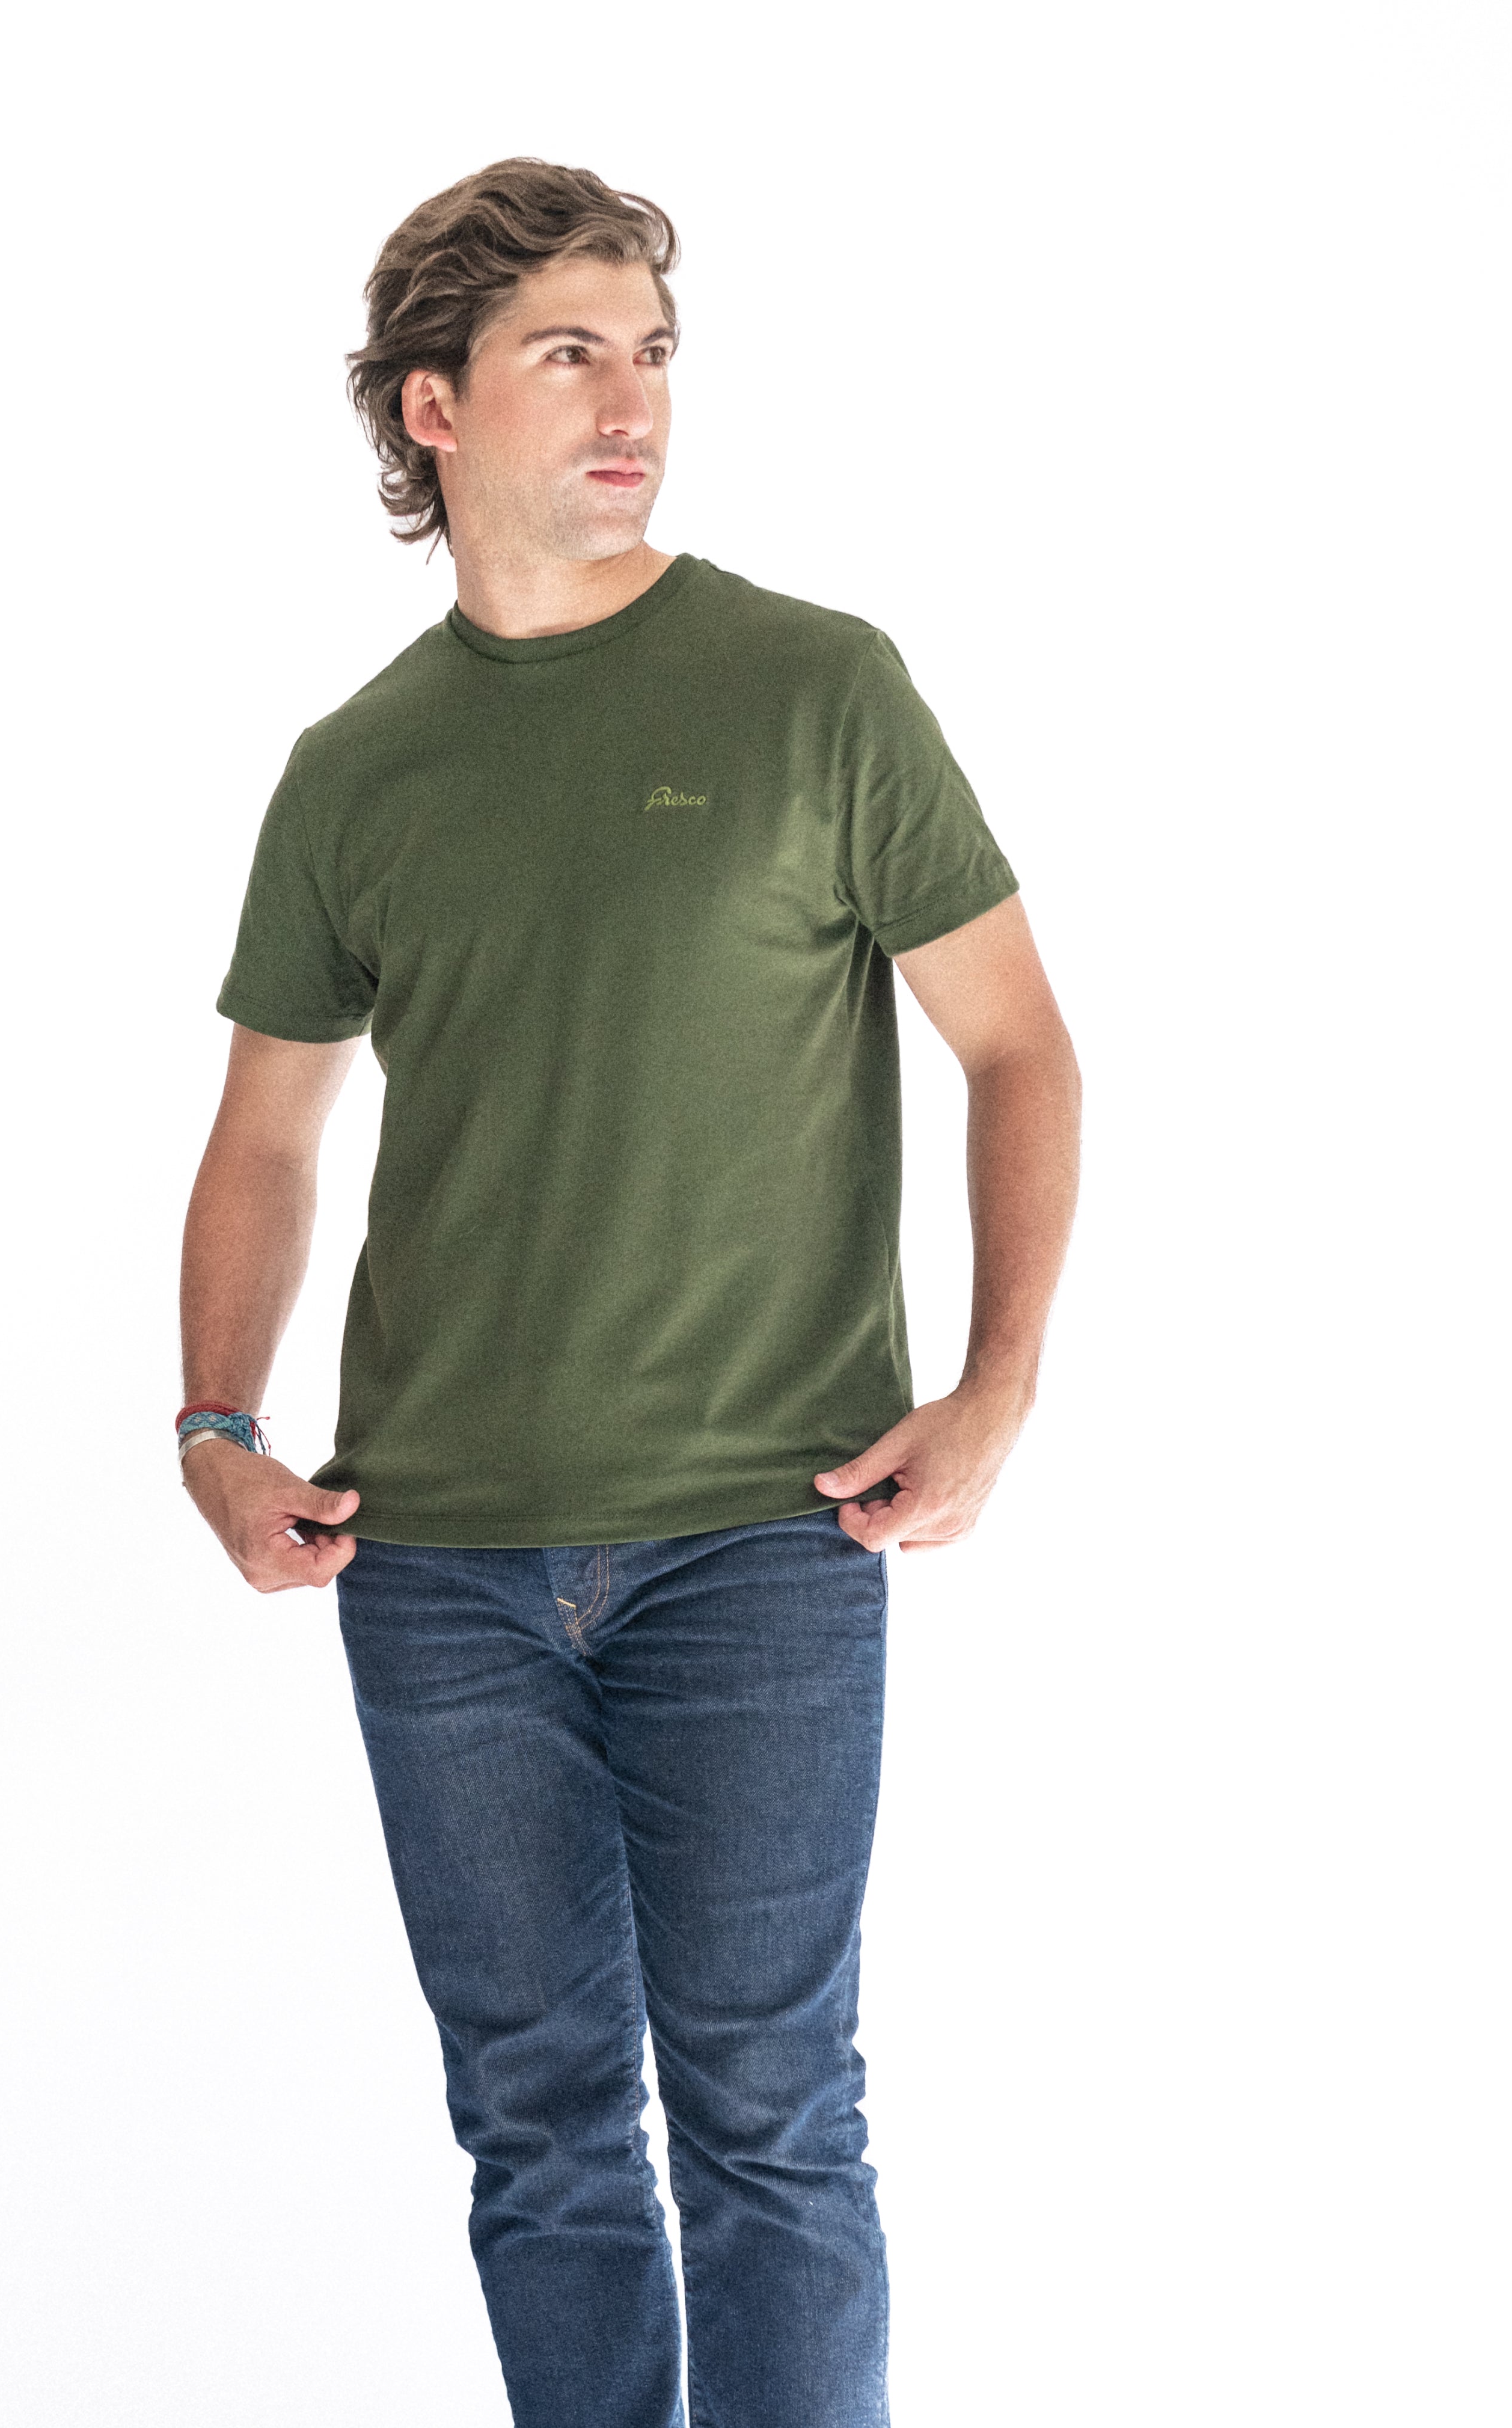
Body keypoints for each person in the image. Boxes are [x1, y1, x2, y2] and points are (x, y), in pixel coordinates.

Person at [177, 157, 1080, 2428]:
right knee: (541, 2137)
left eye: (653, 353)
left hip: (765, 1531)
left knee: (774, 2121)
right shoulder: (357, 771)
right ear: (434, 407)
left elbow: (1018, 1046)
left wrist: (997, 1384)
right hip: (437, 1561)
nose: (632, 404)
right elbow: (267, 1136)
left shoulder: (815, 688)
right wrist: (215, 1426)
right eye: (570, 353)